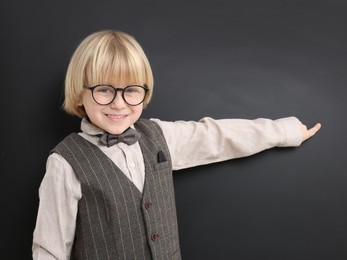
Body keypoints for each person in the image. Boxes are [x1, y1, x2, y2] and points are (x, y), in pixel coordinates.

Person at [32, 30, 321, 260]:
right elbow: (49, 250)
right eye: (104, 89)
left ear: (144, 93)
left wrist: (283, 131)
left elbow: (217, 136)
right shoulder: (64, 163)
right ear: (80, 94)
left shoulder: (158, 135)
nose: (119, 103)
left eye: (131, 90)